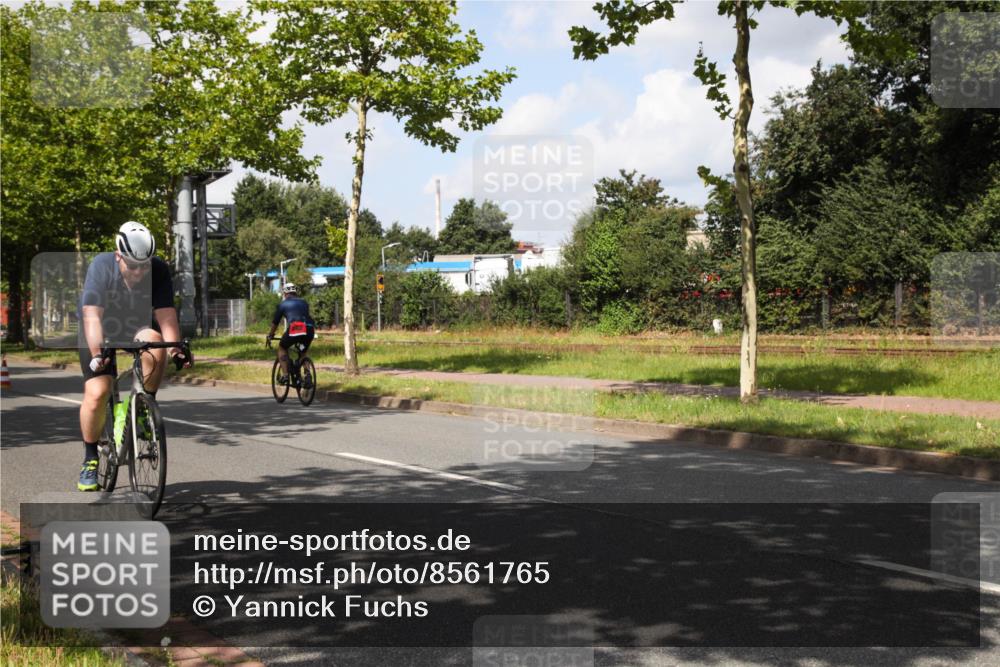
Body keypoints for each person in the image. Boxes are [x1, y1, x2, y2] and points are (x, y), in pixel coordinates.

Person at [76, 221, 190, 491]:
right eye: (133, 265)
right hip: (100, 328)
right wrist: (96, 354)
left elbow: (165, 315)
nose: (140, 271)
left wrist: (175, 349)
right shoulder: (101, 267)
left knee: (156, 342)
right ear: (118, 256)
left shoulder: (159, 270)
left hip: (136, 325)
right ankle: (90, 458)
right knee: (97, 392)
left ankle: (142, 408)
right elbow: (92, 315)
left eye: (145, 265)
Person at [267, 283, 315, 383]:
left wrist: (271, 335)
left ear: (285, 293)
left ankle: (285, 375)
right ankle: (307, 374)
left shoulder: (283, 304)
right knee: (303, 352)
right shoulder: (304, 302)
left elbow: (275, 322)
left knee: (282, 348)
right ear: (295, 292)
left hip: (297, 328)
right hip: (310, 329)